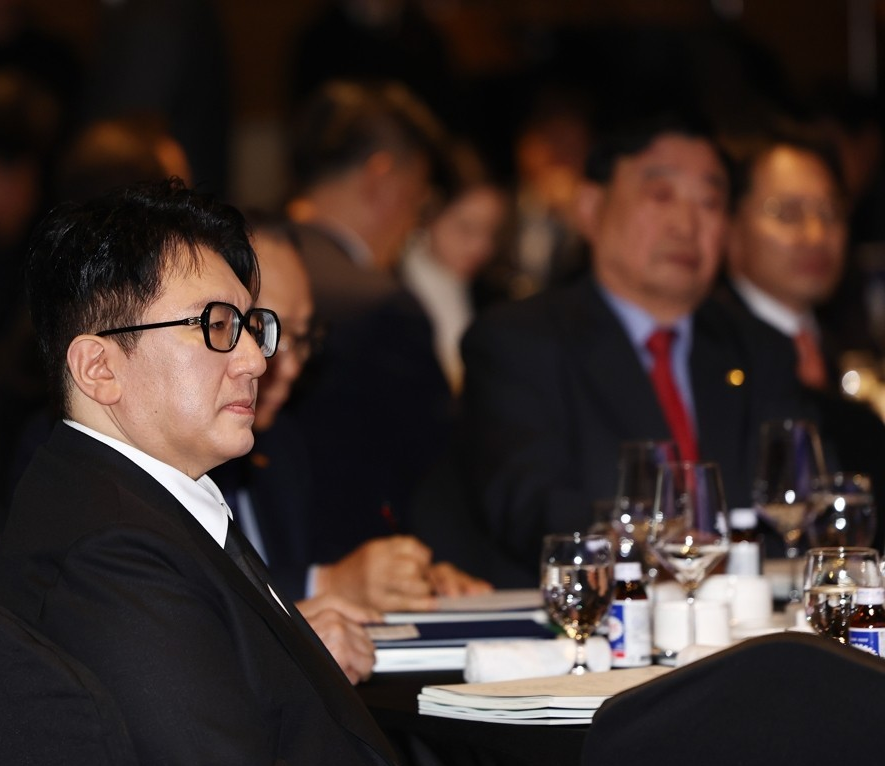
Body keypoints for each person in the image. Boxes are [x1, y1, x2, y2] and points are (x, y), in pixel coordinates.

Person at [0, 179, 397, 764]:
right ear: (99, 368)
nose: (255, 359)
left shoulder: (140, 503)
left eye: (251, 326)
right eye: (216, 326)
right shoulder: (111, 553)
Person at [454, 112, 814, 581]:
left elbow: (800, 508)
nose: (686, 225)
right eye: (661, 195)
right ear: (590, 208)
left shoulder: (758, 349)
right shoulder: (519, 342)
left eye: (709, 202)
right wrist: (658, 543)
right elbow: (531, 508)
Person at [284, 80, 461, 561]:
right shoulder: (380, 304)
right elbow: (436, 477)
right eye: (419, 200)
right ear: (380, 177)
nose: (415, 222)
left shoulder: (230, 263)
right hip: (360, 563)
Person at [720, 128, 858, 391]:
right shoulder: (706, 349)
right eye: (788, 213)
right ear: (731, 228)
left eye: (830, 212)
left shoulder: (849, 343)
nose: (816, 236)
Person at [400, 140, 507, 394]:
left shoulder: (491, 291)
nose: (482, 247)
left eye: (492, 232)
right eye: (466, 229)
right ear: (429, 215)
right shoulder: (396, 284)